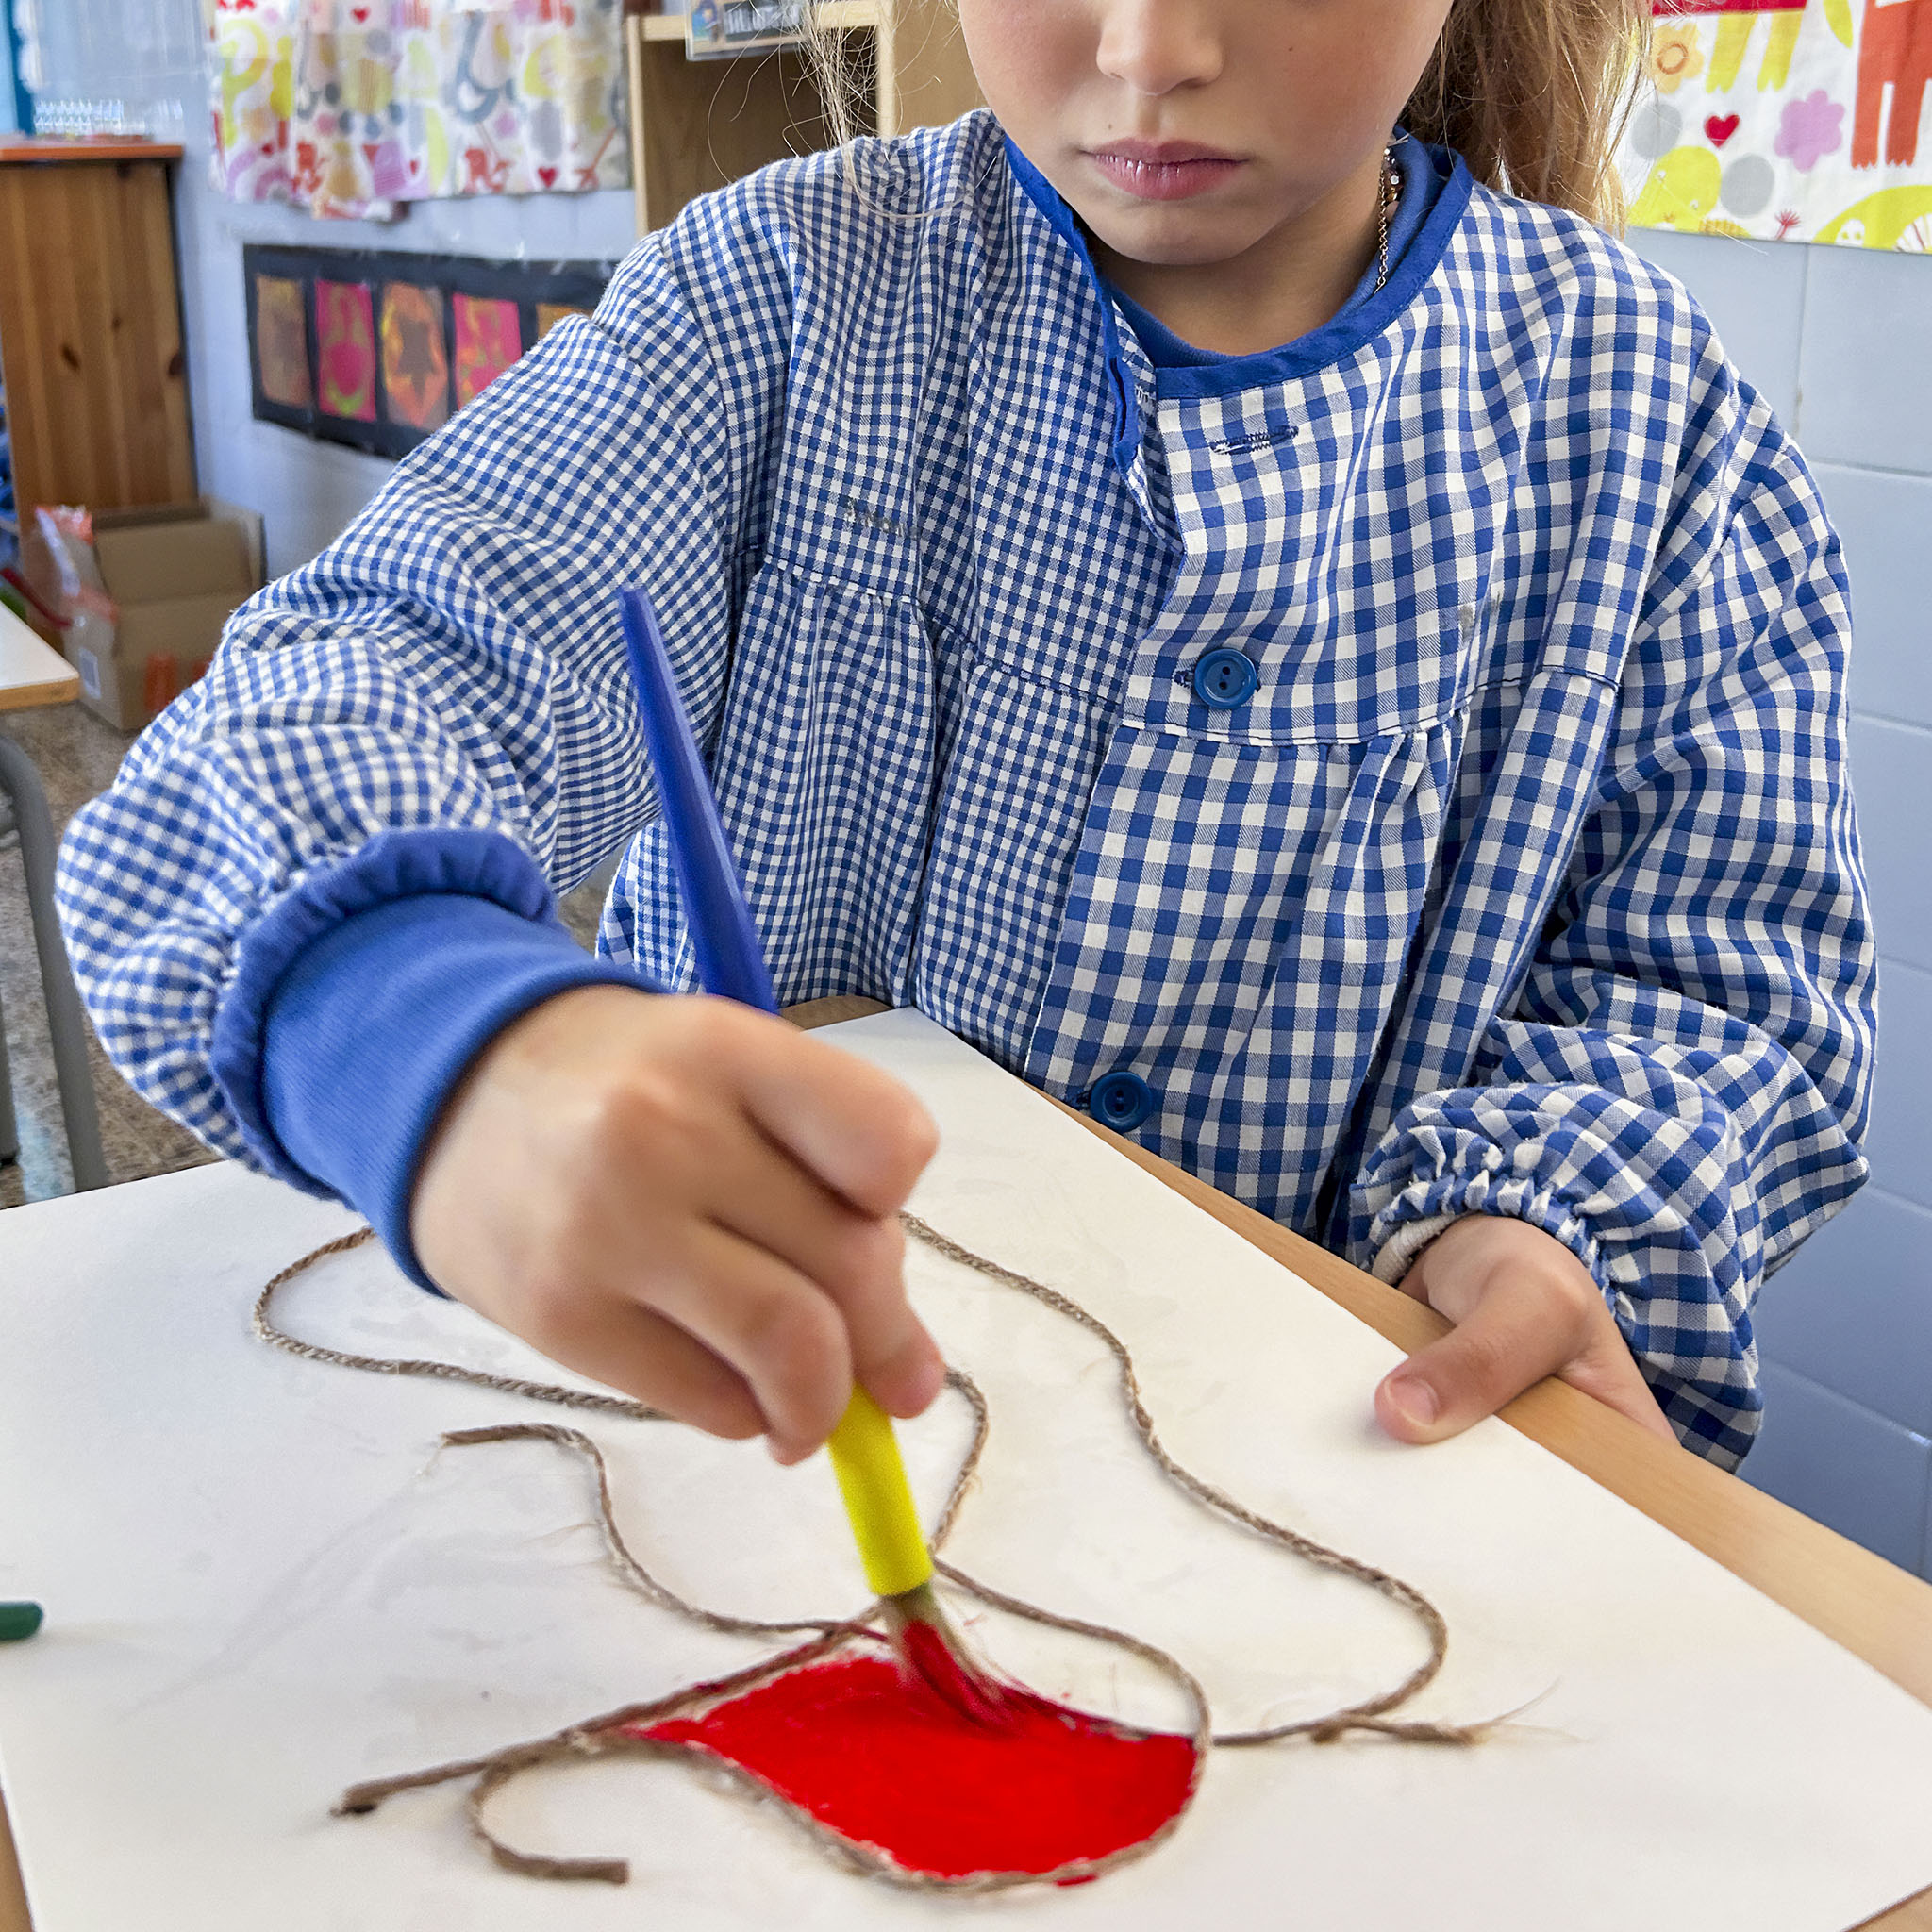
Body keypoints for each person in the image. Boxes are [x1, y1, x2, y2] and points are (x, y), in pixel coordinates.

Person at [57, 0, 1872, 1476]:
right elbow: (391, 654)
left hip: (1320, 1464)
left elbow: (1724, 983)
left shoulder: (1657, 416)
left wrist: (1546, 1215)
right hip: (753, 1449)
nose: (1149, 48)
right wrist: (427, 1027)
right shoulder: (785, 290)